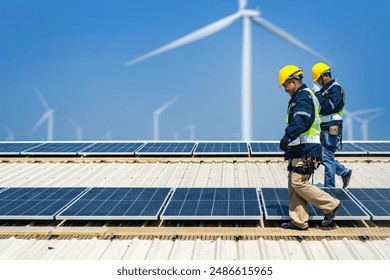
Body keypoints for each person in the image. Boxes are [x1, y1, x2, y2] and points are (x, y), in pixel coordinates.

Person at [278, 65, 342, 230]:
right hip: (299, 150)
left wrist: (288, 136)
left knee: (298, 182)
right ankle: (299, 221)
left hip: (307, 149)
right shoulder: (300, 97)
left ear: (293, 81)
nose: (285, 89)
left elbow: (302, 119)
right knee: (293, 184)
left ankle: (331, 205)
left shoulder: (303, 96)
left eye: (285, 85)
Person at [312, 62, 352, 188]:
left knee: (327, 156)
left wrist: (318, 95)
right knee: (323, 155)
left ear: (324, 76)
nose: (317, 83)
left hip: (333, 126)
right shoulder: (326, 90)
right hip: (326, 126)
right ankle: (343, 172)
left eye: (318, 79)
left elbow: (327, 107)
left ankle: (329, 188)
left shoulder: (335, 89)